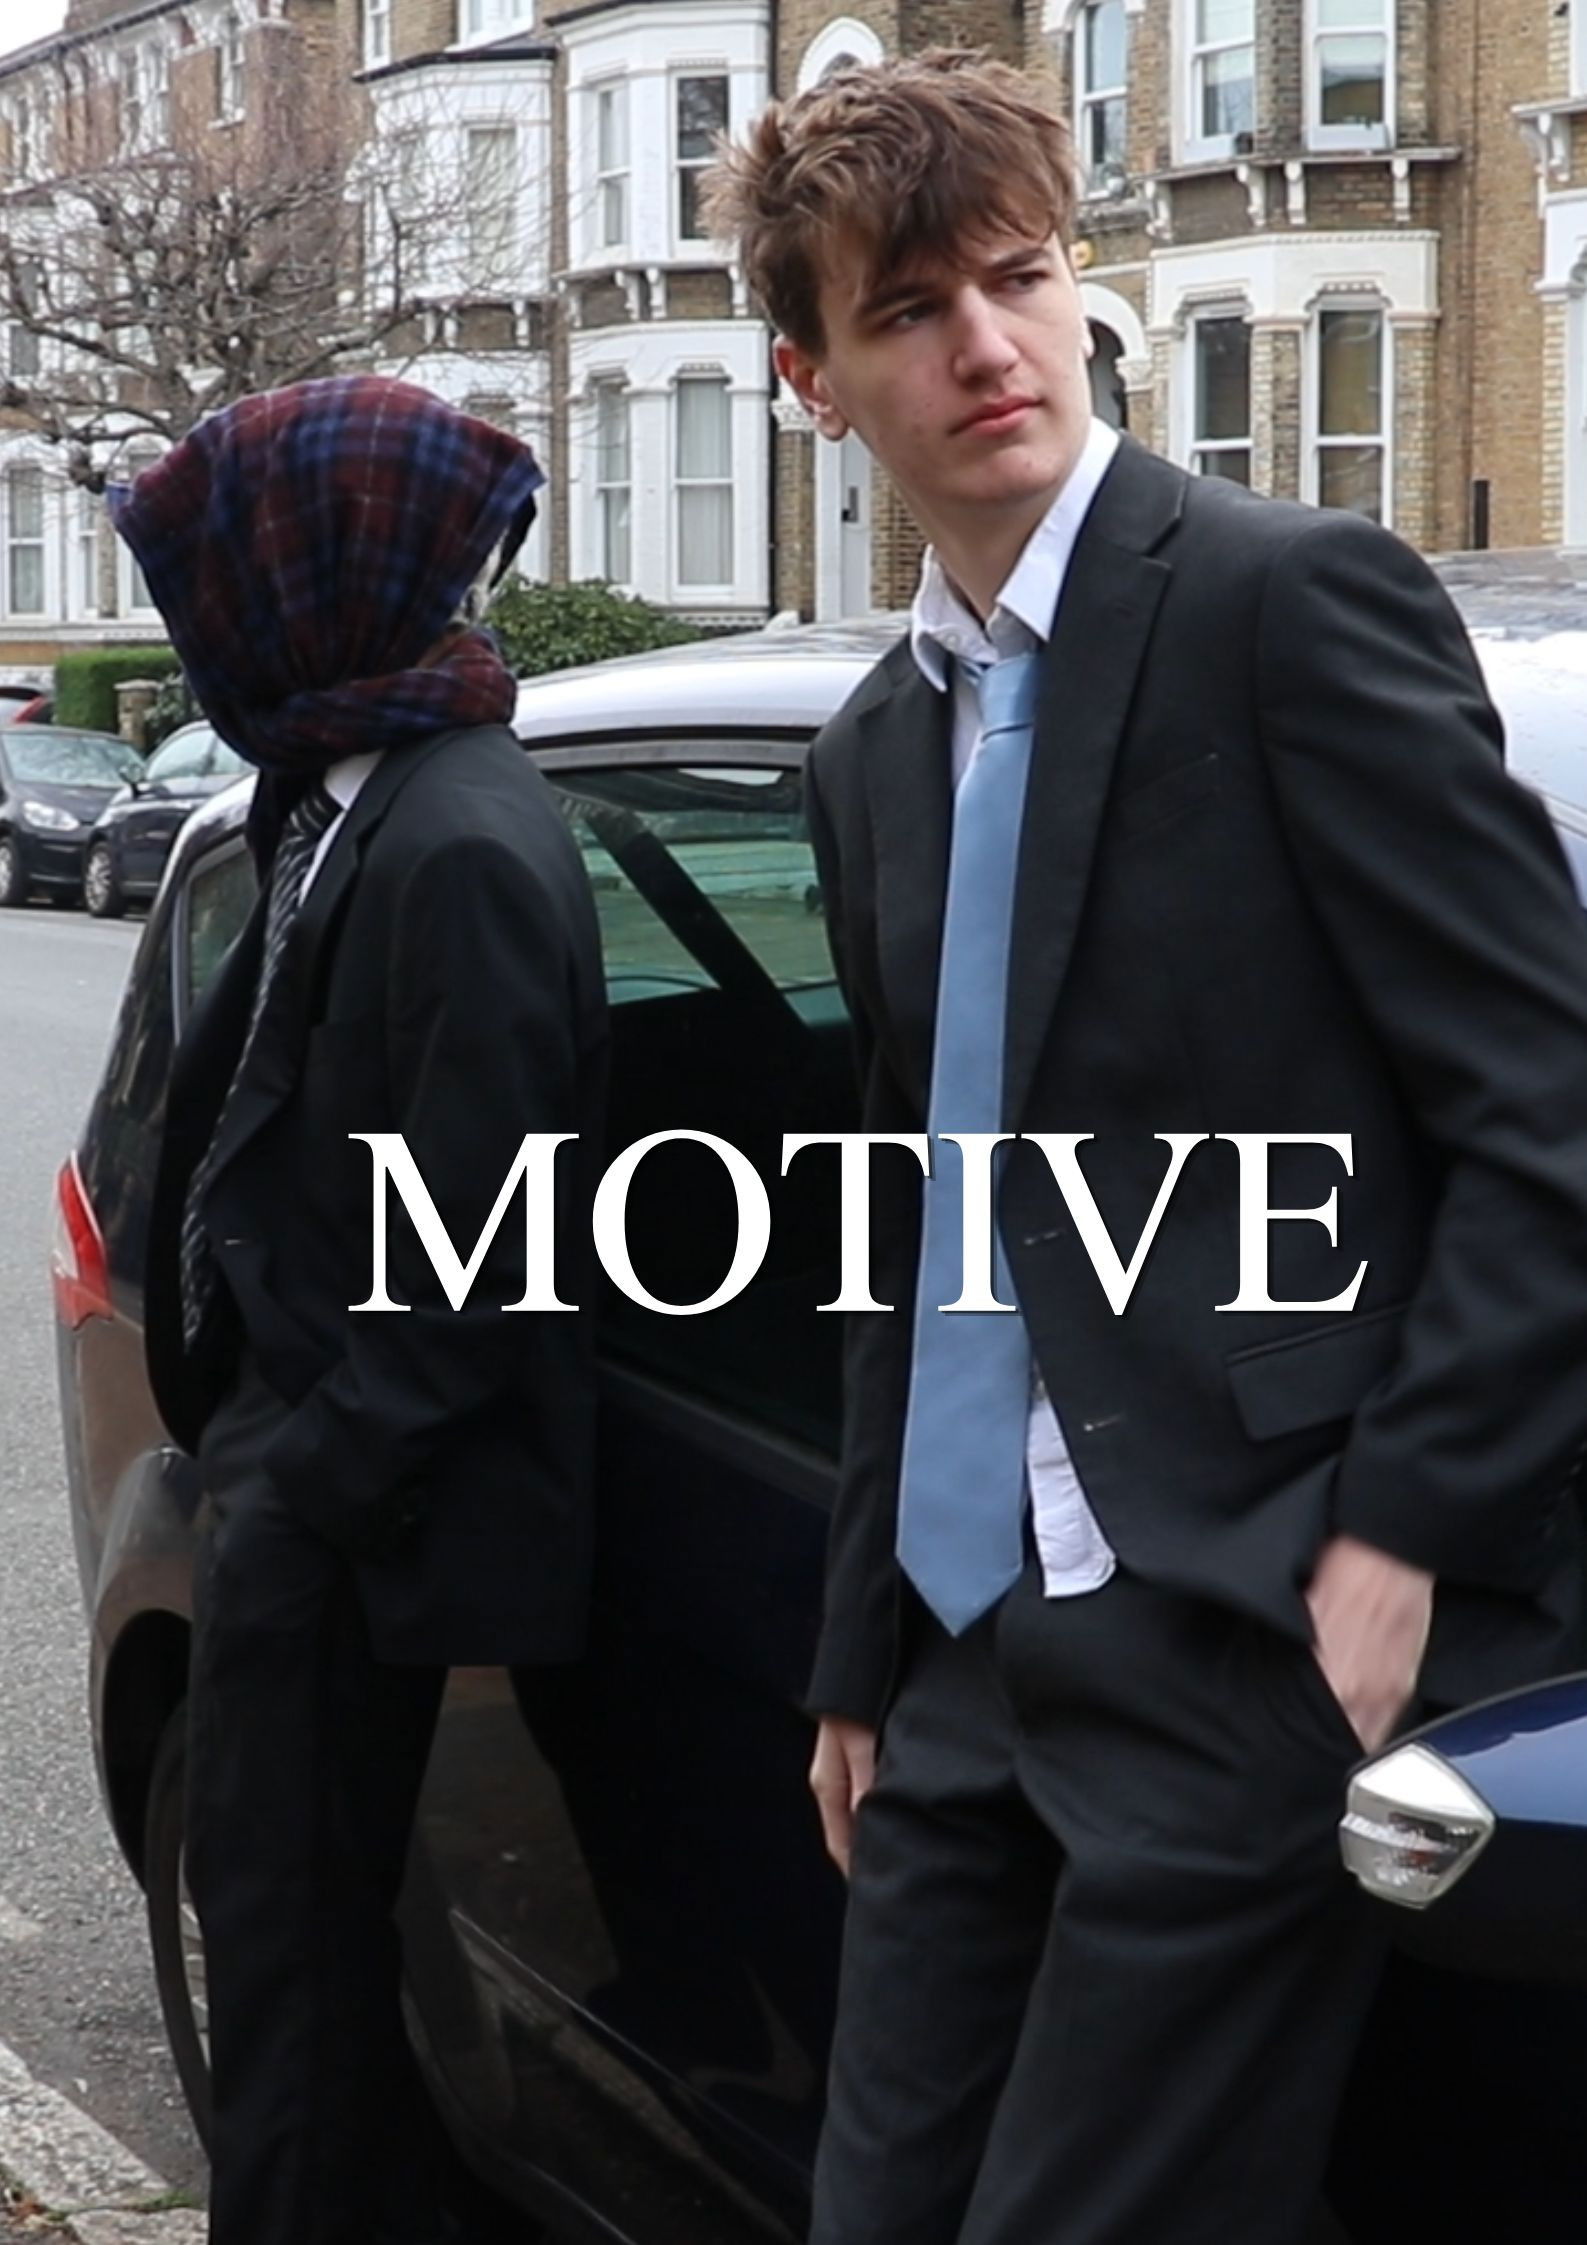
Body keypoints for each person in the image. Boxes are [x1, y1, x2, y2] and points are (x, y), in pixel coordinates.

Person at [703, 51, 1587, 2245]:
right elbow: (923, 1220)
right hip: (963, 1664)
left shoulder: (1286, 601)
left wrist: (1396, 1537)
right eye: (908, 311)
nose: (985, 345)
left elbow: (1545, 1105)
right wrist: (860, 1654)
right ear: (811, 380)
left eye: (1016, 279)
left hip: (1238, 1636)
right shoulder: (872, 749)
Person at [118, 375, 608, 2245]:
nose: (200, 624)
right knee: (297, 1989)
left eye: (216, 582)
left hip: (365, 1536)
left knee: (302, 2016)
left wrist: (301, 1493)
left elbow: (484, 1246)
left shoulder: (458, 840)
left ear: (309, 580)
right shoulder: (347, 790)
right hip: (305, 1495)